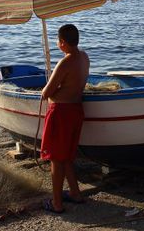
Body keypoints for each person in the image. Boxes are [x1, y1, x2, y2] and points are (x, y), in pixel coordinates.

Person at [40, 24, 89, 214]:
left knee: (56, 159)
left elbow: (46, 92)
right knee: (67, 155)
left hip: (61, 112)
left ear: (62, 43)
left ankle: (57, 203)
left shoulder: (65, 62)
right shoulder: (84, 57)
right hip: (76, 110)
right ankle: (75, 193)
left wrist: (53, 90)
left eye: (57, 40)